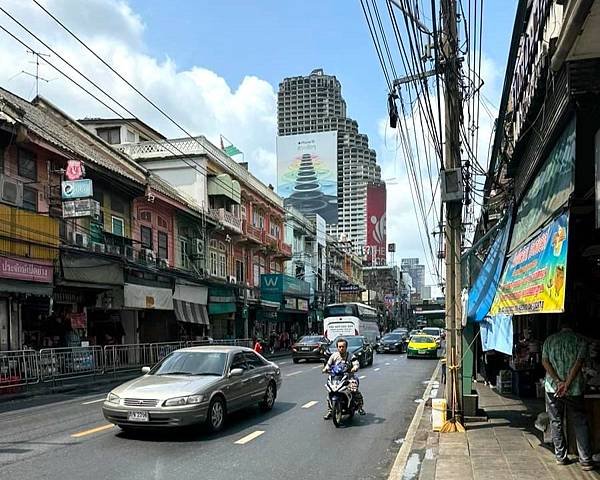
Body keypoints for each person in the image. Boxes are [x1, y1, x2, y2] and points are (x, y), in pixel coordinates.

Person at [542, 321, 594, 471]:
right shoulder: (580, 341)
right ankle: (585, 460)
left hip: (553, 388)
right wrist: (568, 383)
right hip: (575, 389)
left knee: (556, 420)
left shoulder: (549, 340)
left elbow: (545, 362)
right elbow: (578, 364)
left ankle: (560, 456)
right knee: (579, 421)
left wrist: (558, 382)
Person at [322, 337, 365, 419]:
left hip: (349, 377)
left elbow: (356, 363)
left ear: (346, 347)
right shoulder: (334, 356)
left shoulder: (351, 355)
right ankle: (330, 410)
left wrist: (355, 367)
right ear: (337, 347)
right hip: (336, 378)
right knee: (330, 392)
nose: (341, 348)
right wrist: (325, 369)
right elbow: (328, 364)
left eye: (343, 347)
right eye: (339, 347)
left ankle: (360, 407)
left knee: (354, 390)